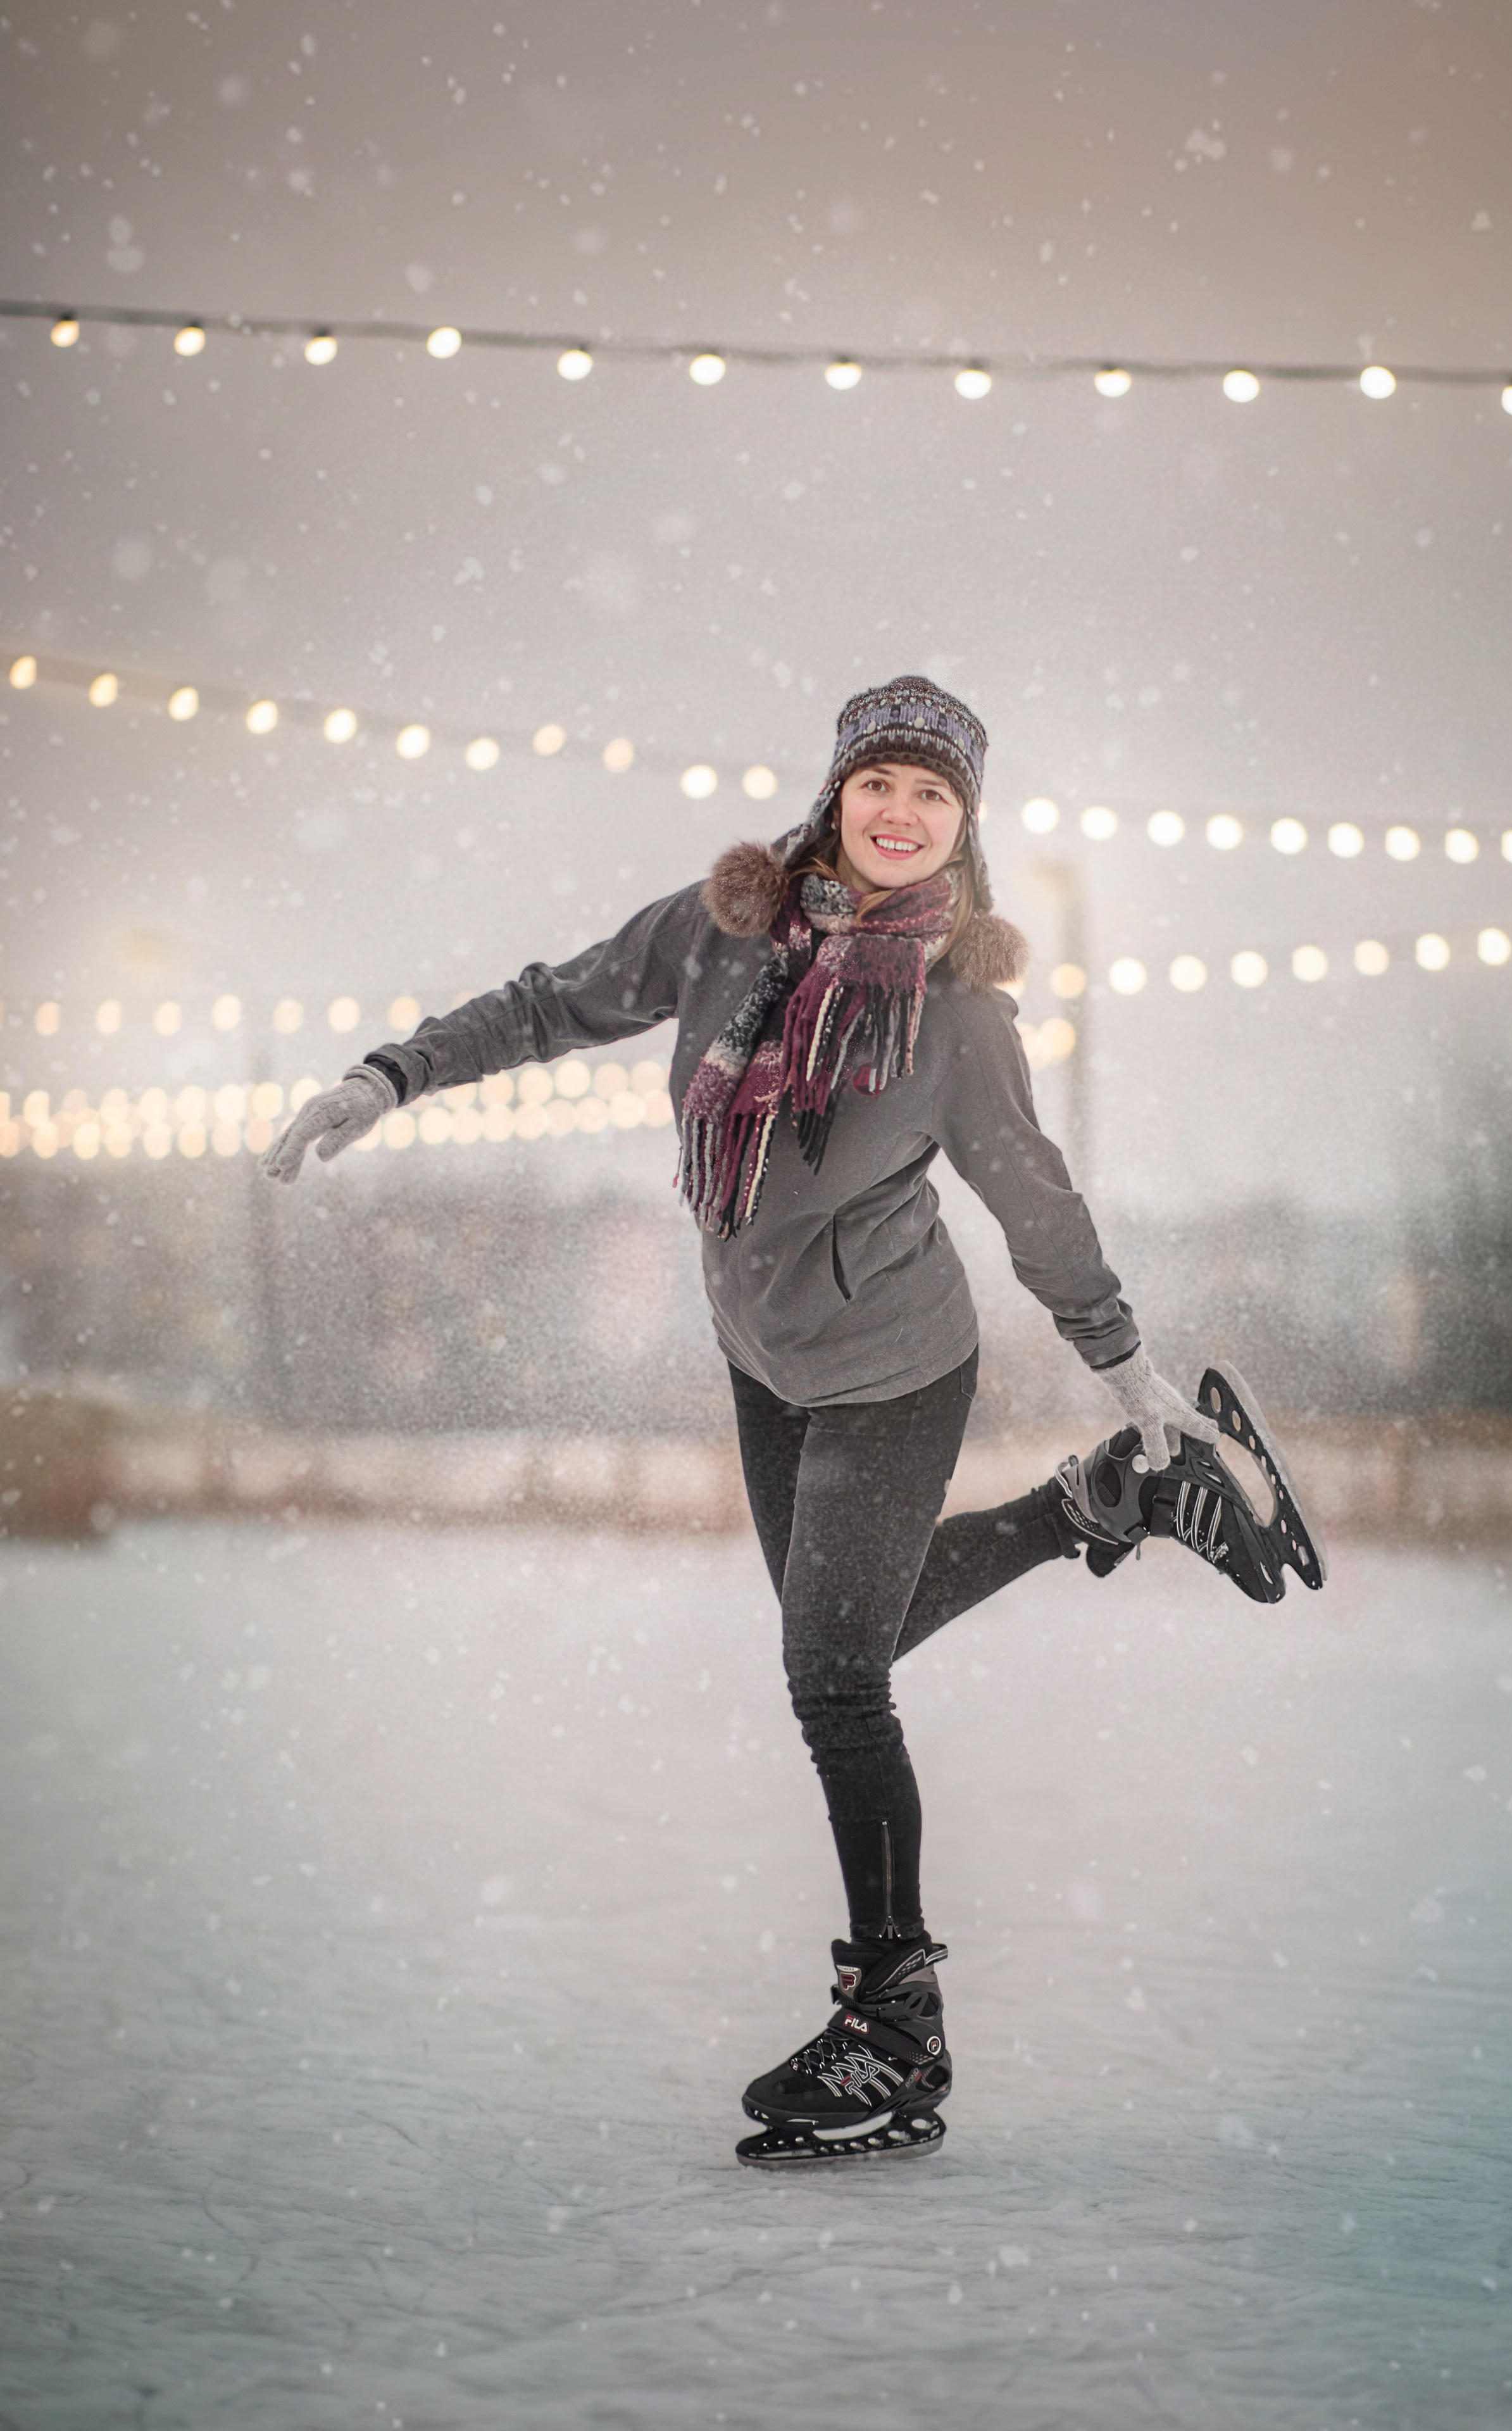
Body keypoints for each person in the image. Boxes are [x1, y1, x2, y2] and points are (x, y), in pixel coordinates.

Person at [263, 674, 1321, 2168]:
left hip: (896, 1371)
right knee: (850, 1638)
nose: (901, 813)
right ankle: (1098, 1505)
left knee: (833, 1682)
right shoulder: (722, 931)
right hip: (763, 1362)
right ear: (837, 794)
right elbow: (554, 1001)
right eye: (880, 783)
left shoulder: (953, 1011)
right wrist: (392, 1074)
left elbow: (1031, 1198)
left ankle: (894, 2022)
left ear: (962, 828)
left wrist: (1124, 1365)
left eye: (934, 796)